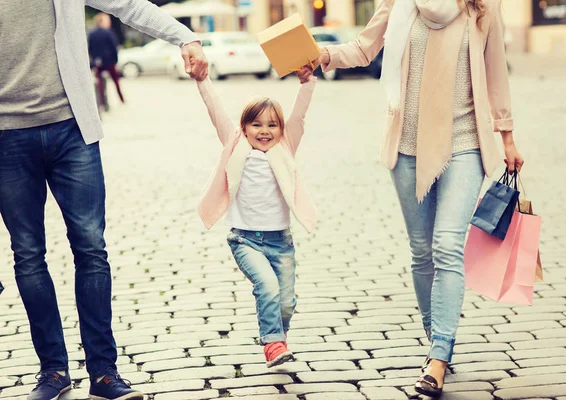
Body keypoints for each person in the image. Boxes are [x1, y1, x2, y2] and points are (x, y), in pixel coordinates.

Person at [314, 0, 524, 397]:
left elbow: (497, 72)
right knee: (422, 250)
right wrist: (323, 54)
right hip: (406, 145)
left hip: (465, 144)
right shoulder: (397, 1)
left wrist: (507, 136)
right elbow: (363, 47)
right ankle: (437, 336)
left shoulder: (482, 6)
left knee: (447, 246)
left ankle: (438, 357)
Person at [0, 1, 208, 399]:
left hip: (72, 130)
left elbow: (128, 5)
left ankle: (104, 373)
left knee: (92, 249)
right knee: (27, 254)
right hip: (7, 134)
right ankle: (53, 372)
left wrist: (185, 36)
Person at [194, 62, 317, 367]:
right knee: (268, 287)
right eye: (257, 125)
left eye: (272, 125)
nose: (264, 131)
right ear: (244, 127)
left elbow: (299, 116)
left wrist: (307, 83)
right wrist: (203, 80)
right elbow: (216, 111)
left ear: (280, 130)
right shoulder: (235, 145)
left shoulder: (285, 147)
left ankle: (278, 337)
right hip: (245, 240)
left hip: (281, 241)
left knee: (286, 302)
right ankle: (273, 343)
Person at [88, 13, 125, 109]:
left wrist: (93, 60)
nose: (109, 22)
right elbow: (114, 47)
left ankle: (102, 103)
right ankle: (121, 99)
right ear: (101, 21)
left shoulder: (92, 33)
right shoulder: (109, 32)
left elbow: (90, 48)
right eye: (107, 20)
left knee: (99, 83)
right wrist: (115, 61)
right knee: (116, 82)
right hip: (109, 61)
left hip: (97, 62)